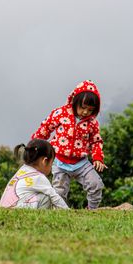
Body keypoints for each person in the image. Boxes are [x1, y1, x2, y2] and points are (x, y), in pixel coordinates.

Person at [31, 80, 106, 209]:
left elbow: (96, 140)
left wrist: (98, 157)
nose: (85, 112)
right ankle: (60, 213)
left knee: (96, 185)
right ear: (75, 101)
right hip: (60, 161)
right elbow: (46, 127)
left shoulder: (92, 123)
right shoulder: (60, 113)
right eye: (83, 107)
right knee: (59, 192)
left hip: (81, 163)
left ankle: (93, 210)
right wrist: (35, 144)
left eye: (90, 109)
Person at [0, 139, 69, 209]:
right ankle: (41, 218)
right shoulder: (39, 177)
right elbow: (55, 197)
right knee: (47, 197)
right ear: (44, 161)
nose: (51, 167)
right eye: (51, 163)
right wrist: (68, 211)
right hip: (17, 210)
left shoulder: (23, 170)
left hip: (5, 208)